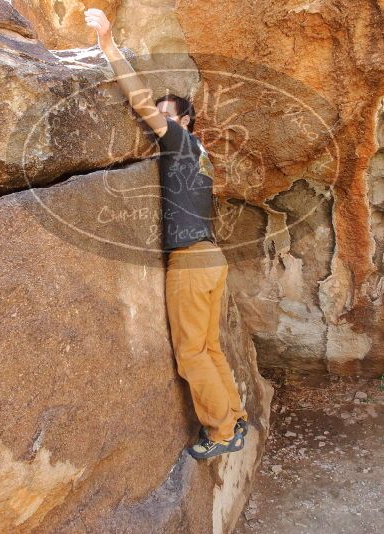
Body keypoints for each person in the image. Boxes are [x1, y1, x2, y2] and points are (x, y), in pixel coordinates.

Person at [85, 8, 249, 460]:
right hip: (211, 258)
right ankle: (234, 418)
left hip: (192, 261)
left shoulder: (178, 140)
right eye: (161, 116)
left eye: (167, 114)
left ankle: (219, 433)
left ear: (186, 121)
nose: (158, 120)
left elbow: (138, 101)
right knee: (209, 347)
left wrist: (109, 46)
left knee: (191, 355)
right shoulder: (199, 153)